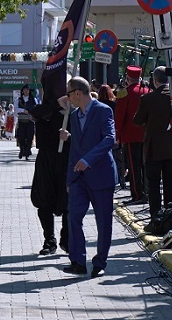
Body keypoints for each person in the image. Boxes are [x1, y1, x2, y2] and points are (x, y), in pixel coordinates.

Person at [58, 76, 117, 277]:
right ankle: (78, 262)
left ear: (77, 93)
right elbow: (76, 148)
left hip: (100, 175)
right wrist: (69, 178)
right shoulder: (74, 116)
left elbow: (109, 139)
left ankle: (100, 262)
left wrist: (88, 159)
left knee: (103, 221)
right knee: (73, 216)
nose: (67, 98)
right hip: (78, 178)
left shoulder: (103, 111)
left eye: (68, 93)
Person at [133, 66, 172, 222]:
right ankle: (170, 216)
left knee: (153, 185)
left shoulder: (147, 99)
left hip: (153, 148)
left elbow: (137, 120)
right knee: (170, 183)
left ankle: (155, 217)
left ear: (154, 80)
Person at [30, 100, 70, 255]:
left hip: (66, 159)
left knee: (67, 202)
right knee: (44, 200)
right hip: (46, 160)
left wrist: (69, 137)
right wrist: (55, 104)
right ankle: (49, 241)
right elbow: (33, 112)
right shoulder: (45, 111)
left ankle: (66, 240)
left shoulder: (73, 113)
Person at [114, 66, 149, 204]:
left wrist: (117, 135)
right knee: (145, 165)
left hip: (130, 135)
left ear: (128, 78)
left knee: (134, 167)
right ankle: (146, 192)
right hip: (146, 136)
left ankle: (137, 194)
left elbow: (120, 116)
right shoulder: (147, 91)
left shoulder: (125, 93)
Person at [15, 84, 36, 160]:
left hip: (30, 121)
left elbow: (36, 109)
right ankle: (21, 150)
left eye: (27, 90)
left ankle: (27, 152)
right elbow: (16, 109)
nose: (26, 91)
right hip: (21, 121)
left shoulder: (33, 99)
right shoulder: (18, 99)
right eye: (24, 90)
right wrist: (23, 110)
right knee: (21, 137)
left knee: (30, 136)